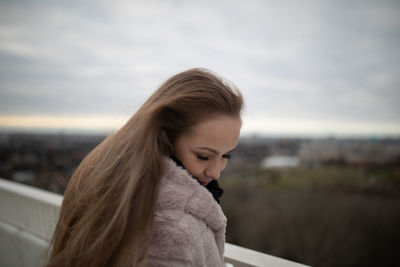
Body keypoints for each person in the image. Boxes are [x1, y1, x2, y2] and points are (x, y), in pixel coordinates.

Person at [46, 68, 244, 267]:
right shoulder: (173, 229)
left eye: (226, 155)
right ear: (165, 137)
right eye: (204, 156)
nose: (216, 172)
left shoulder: (106, 176)